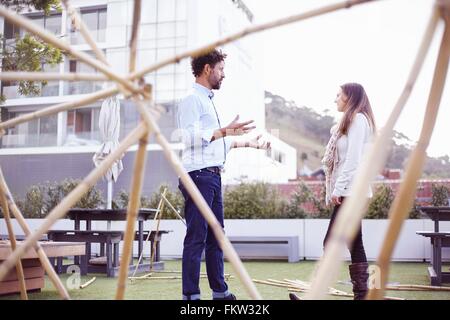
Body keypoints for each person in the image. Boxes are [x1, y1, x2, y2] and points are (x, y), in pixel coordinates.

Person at [177, 49, 270, 301]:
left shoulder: (207, 101)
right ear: (207, 69)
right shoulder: (191, 100)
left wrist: (250, 143)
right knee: (197, 237)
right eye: (220, 70)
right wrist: (224, 130)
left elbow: (216, 143)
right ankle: (191, 296)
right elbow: (189, 138)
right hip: (197, 176)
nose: (223, 75)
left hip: (212, 176)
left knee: (217, 236)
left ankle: (219, 292)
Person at [290, 83, 376, 301]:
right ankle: (362, 296)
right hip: (351, 191)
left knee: (331, 242)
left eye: (338, 95)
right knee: (355, 243)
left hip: (351, 191)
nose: (335, 99)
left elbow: (353, 160)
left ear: (349, 97)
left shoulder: (358, 120)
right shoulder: (351, 121)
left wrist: (338, 189)